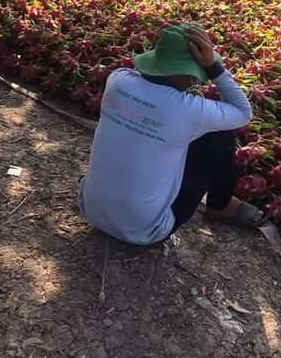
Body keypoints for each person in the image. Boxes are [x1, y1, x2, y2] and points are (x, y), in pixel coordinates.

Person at [77, 23, 265, 245]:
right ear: (188, 73)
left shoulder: (117, 80)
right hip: (147, 231)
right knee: (219, 137)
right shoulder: (189, 110)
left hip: (90, 209)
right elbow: (243, 112)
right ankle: (220, 206)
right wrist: (215, 68)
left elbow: (144, 83)